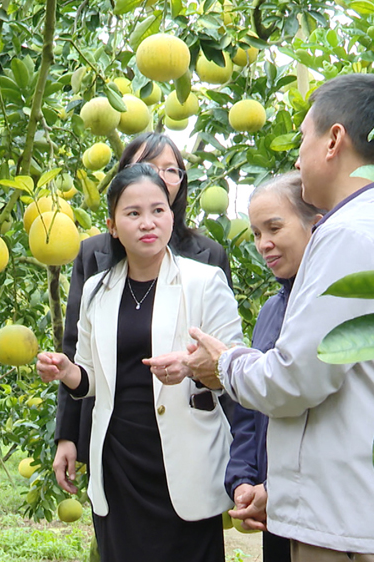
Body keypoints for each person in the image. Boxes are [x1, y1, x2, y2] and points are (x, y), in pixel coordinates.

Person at [181, 74, 374, 561]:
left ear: (335, 140)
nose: (298, 159)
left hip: (347, 529)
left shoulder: (348, 234)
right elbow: (354, 391)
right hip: (365, 509)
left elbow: (296, 379)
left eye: (304, 138)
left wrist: (226, 364)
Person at [37, 163, 243, 562]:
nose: (147, 222)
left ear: (171, 215)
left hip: (183, 458)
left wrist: (194, 367)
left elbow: (233, 371)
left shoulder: (203, 281)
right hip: (119, 459)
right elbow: (92, 379)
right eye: (133, 213)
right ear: (113, 225)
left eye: (158, 210)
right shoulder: (99, 288)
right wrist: (67, 372)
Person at [52, 132, 232, 494]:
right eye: (149, 167)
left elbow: (226, 358)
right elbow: (76, 350)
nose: (162, 177)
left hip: (187, 440)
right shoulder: (93, 256)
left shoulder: (207, 258)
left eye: (172, 170)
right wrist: (67, 435)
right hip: (115, 438)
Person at [225, 172, 323, 562]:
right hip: (275, 509)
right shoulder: (270, 310)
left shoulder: (326, 303)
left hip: (317, 508)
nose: (263, 244)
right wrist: (244, 479)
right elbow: (250, 407)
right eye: (254, 233)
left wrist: (276, 487)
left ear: (314, 225)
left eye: (274, 228)